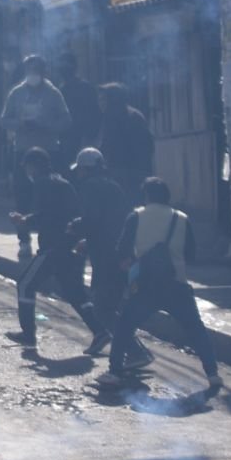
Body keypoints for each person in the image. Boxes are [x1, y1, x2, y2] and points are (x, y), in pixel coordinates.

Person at [97, 177, 222, 394]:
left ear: (146, 195)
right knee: (196, 330)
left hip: (145, 288)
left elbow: (122, 251)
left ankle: (115, 373)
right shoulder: (182, 218)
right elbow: (191, 255)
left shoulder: (136, 216)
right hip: (177, 285)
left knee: (124, 327)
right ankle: (213, 374)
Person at [7, 147, 108, 354]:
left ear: (34, 166)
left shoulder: (44, 184)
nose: (27, 171)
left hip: (54, 246)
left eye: (28, 166)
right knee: (75, 293)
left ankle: (28, 333)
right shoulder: (61, 182)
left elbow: (47, 215)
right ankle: (100, 331)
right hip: (71, 246)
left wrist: (25, 220)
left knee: (25, 284)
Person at [1, 55, 71, 260]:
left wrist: (47, 124)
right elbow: (4, 120)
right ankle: (24, 241)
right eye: (29, 70)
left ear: (43, 71)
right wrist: (20, 124)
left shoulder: (53, 93)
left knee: (48, 195)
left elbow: (66, 120)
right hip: (23, 149)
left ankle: (47, 238)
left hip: (48, 149)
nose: (33, 74)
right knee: (22, 194)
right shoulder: (17, 93)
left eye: (37, 70)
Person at [69, 147, 132, 343]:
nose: (77, 173)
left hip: (105, 254)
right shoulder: (114, 186)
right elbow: (114, 221)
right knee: (109, 304)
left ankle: (133, 349)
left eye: (79, 169)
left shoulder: (89, 187)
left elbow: (93, 220)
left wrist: (75, 226)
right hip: (119, 250)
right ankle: (122, 349)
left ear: (86, 169)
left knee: (102, 307)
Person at [98, 82, 155, 201]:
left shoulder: (131, 117)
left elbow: (144, 147)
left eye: (104, 99)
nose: (100, 103)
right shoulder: (110, 117)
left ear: (113, 100)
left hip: (130, 172)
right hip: (119, 170)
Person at [58, 54, 101, 172]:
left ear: (74, 67)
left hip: (84, 139)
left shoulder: (86, 88)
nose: (63, 69)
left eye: (66, 65)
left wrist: (89, 137)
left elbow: (94, 114)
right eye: (61, 65)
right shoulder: (60, 90)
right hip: (66, 139)